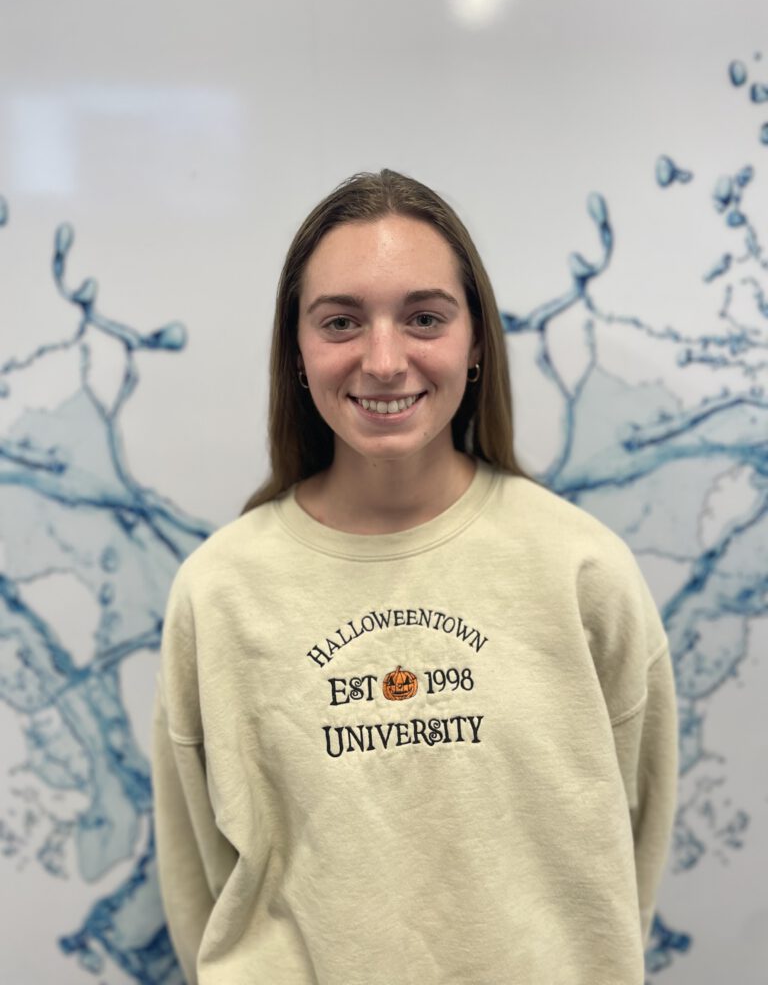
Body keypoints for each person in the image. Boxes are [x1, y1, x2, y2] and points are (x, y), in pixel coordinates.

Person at [151, 169, 679, 985]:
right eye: (341, 322)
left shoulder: (581, 568)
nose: (385, 360)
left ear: (476, 346)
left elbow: (627, 857)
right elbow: (200, 886)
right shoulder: (219, 591)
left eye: (425, 317)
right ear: (296, 350)